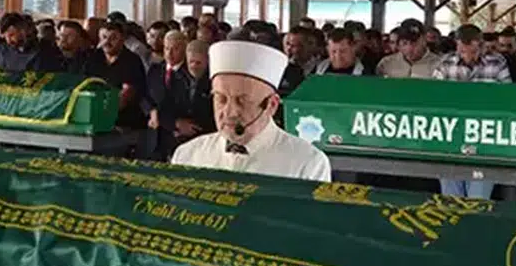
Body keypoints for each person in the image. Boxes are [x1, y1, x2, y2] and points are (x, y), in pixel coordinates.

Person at [172, 41, 330, 181]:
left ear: (271, 105)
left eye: (242, 101)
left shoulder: (307, 163)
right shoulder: (188, 156)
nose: (230, 112)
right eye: (221, 99)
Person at [431, 24, 510, 199]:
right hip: (451, 138)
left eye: (472, 52)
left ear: (481, 45)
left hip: (485, 140)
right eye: (462, 51)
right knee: (451, 199)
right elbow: (434, 100)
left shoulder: (497, 63)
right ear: (457, 46)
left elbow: (507, 100)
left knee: (478, 198)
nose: (467, 56)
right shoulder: (445, 64)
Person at [82, 21, 148, 129]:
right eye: (104, 37)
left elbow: (127, 93)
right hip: (92, 114)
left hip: (124, 120)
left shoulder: (132, 61)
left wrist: (105, 114)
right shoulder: (92, 57)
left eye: (113, 38)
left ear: (122, 39)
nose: (107, 42)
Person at [142, 31, 196, 159]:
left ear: (184, 49)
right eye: (166, 48)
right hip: (154, 137)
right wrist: (151, 110)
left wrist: (172, 122)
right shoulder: (155, 70)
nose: (169, 53)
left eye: (175, 49)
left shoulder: (190, 75)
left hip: (178, 139)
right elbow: (144, 96)